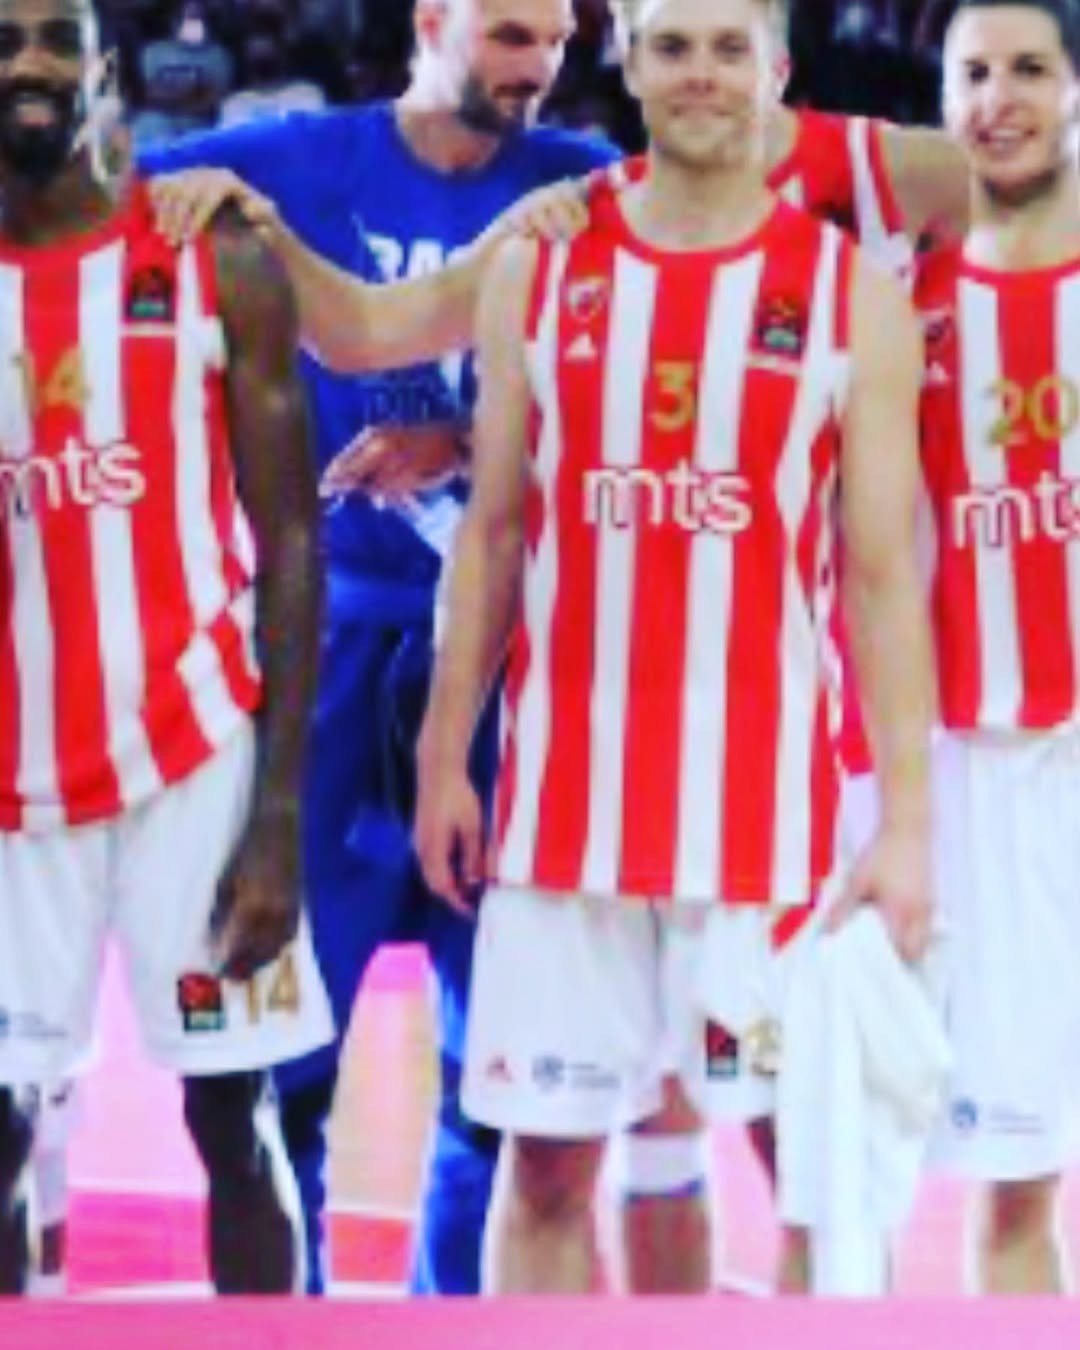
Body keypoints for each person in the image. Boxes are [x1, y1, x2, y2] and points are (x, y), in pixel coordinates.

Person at [412, 0, 936, 1296]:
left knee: (808, 1172)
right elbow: (493, 531)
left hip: (768, 825)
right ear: (631, 66)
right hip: (562, 818)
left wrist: (909, 825)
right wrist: (441, 757)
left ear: (778, 72)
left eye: (728, 48)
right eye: (672, 46)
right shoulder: (538, 269)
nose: (701, 73)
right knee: (545, 1173)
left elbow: (882, 578)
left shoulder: (850, 295)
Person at [137, 0, 619, 1296]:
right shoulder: (287, 164)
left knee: (501, 1075)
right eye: (508, 36)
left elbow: (633, 391)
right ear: (432, 20)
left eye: (555, 45)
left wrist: (464, 443)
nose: (535, 68)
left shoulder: (584, 188)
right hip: (330, 653)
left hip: (518, 667)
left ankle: (452, 1315)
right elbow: (76, 198)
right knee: (283, 1056)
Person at [0, 0, 332, 1293]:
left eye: (53, 35)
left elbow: (289, 538)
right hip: (13, 780)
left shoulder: (213, 257)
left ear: (104, 66)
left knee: (232, 1122)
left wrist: (278, 815)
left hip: (194, 756)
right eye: (2, 40)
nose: (28, 62)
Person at [914, 0, 1080, 1294]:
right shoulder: (898, 297)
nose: (999, 99)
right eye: (974, 73)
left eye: (1030, 69)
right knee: (1018, 1177)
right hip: (993, 769)